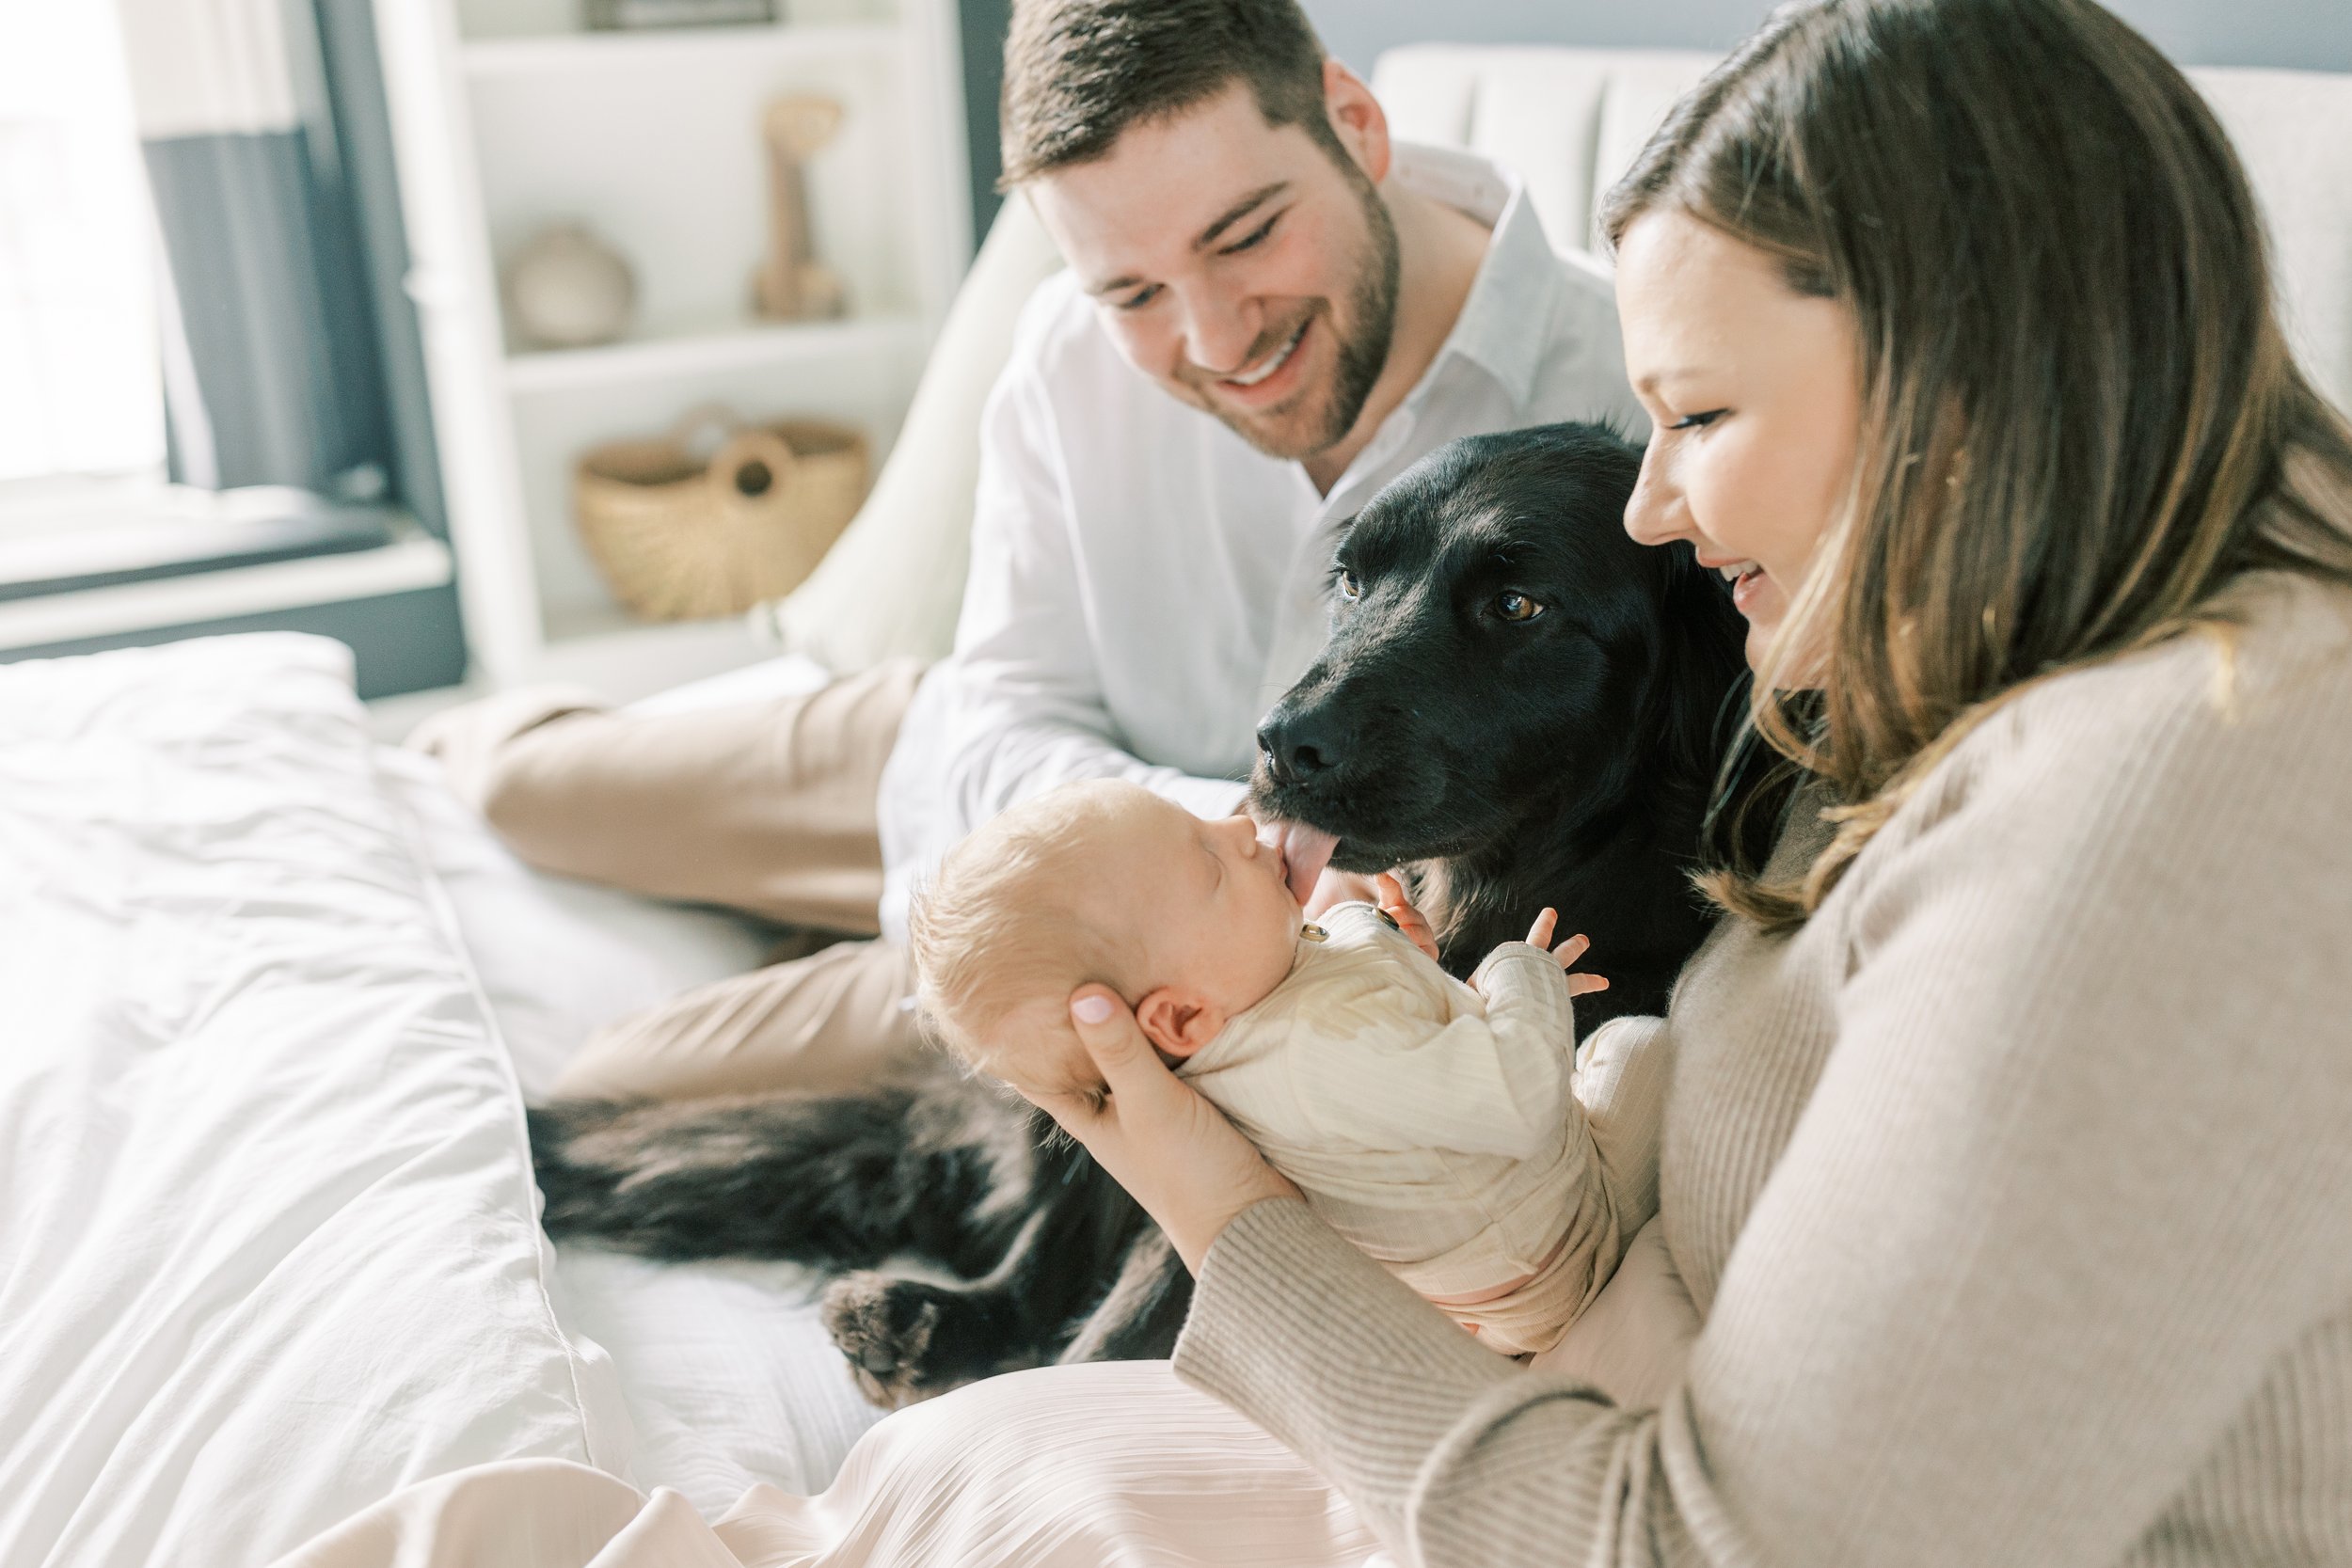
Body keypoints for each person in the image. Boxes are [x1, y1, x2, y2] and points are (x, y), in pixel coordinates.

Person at [293, 0, 2352, 1561]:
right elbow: (988, 716)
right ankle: (467, 801)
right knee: (569, 829)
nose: (1646, 491)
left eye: (1699, 413)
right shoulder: (1973, 689)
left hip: (1502, 1403)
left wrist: (1218, 1188)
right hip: (1127, 861)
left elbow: (1696, 1534)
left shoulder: (2177, 781)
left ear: (1957, 391)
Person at [412, 0, 1641, 1104]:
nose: (1213, 338)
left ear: (1355, 125)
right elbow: (1001, 711)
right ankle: (452, 753)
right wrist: (1219, 835)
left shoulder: (1627, 396)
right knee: (512, 786)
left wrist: (1219, 904)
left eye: (1246, 234)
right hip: (976, 768)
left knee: (603, 1090)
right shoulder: (1067, 348)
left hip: (1169, 946)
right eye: (1133, 292)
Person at [909, 778, 1616, 1354]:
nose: (1244, 827)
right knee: (1634, 1048)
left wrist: (1407, 967)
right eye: (1212, 864)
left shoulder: (1243, 1010)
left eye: (1206, 820)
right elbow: (1514, 1096)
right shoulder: (1313, 1054)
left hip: (1498, 1258)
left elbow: (1348, 1004)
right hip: (1553, 1249)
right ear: (1182, 1018)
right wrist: (1521, 972)